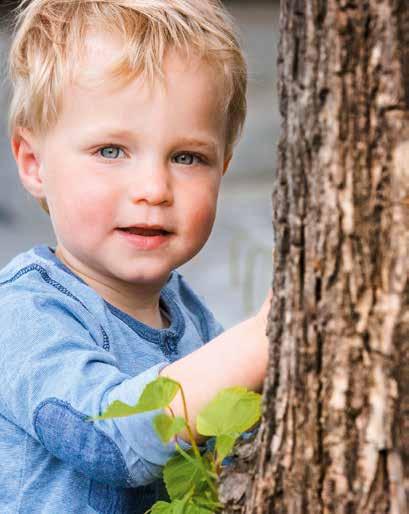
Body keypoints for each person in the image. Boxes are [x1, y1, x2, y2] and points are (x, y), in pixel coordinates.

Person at [0, 0, 271, 512]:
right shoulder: (23, 314)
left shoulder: (185, 311)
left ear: (223, 168)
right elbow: (108, 438)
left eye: (187, 157)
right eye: (111, 151)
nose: (153, 188)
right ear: (35, 163)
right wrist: (267, 335)